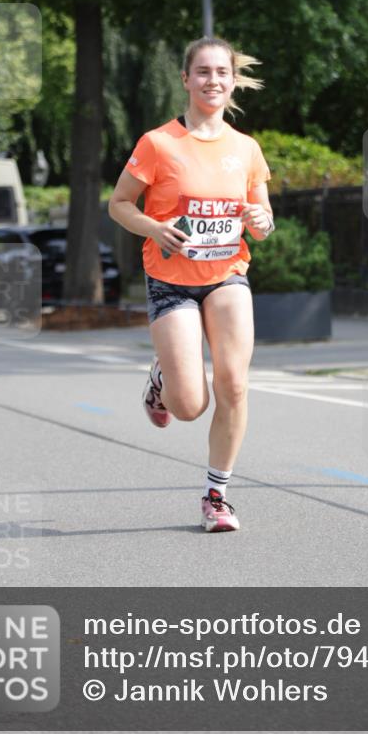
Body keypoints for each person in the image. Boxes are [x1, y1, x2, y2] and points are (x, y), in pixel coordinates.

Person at [109, 36, 274, 533]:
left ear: (233, 80)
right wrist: (155, 228)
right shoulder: (158, 144)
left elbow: (264, 223)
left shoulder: (246, 149)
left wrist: (260, 221)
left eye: (222, 72)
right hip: (170, 281)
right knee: (189, 406)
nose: (213, 80)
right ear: (186, 79)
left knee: (235, 385)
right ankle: (164, 380)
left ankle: (217, 496)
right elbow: (119, 204)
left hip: (228, 275)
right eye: (203, 72)